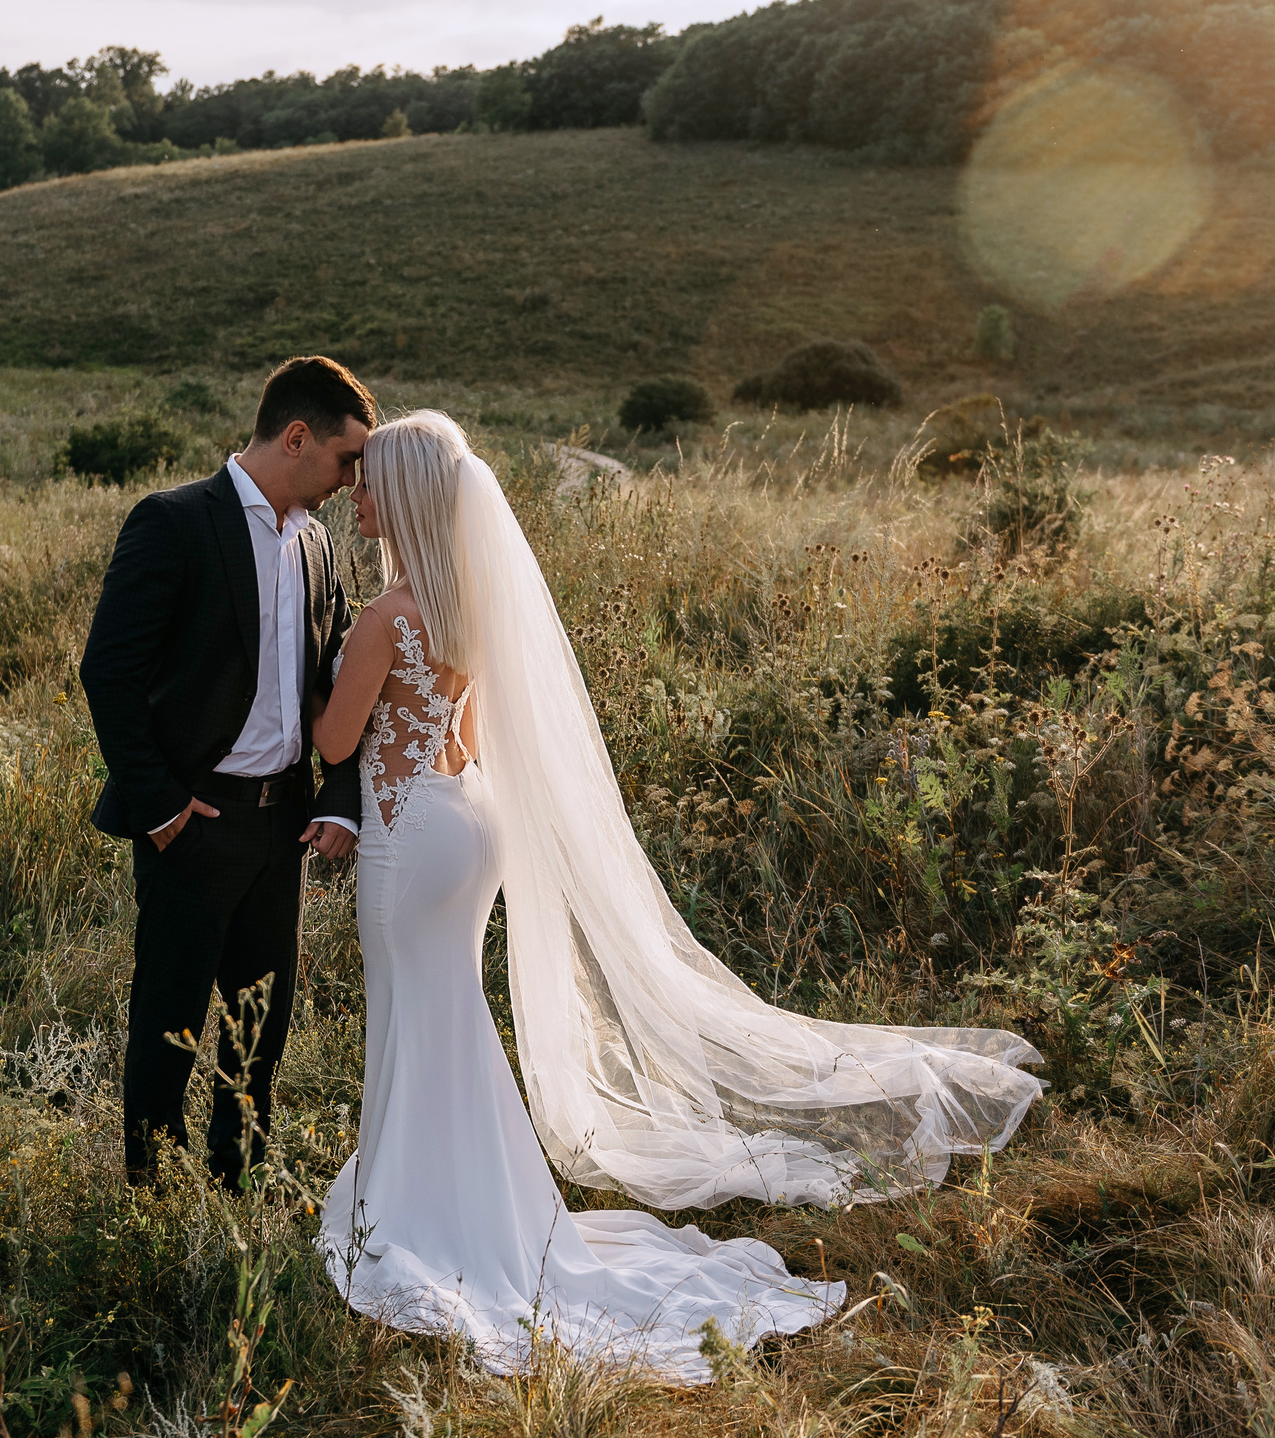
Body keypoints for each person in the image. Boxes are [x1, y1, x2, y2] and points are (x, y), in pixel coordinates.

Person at [310, 413, 1045, 1382]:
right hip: (467, 824)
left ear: (399, 495)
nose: (354, 495)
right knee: (449, 1016)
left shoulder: (383, 620)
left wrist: (322, 678)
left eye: (367, 482)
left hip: (408, 836)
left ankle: (418, 1208)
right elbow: (475, 729)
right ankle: (454, 1197)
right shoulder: (467, 608)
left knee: (418, 1014)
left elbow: (330, 742)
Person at [79, 355, 374, 1189]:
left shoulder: (317, 546)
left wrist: (340, 800)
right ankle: (151, 1199)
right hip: (192, 824)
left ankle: (233, 1187)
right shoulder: (173, 522)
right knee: (167, 1020)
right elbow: (109, 671)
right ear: (295, 435)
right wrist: (162, 805)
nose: (351, 482)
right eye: (346, 458)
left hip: (283, 828)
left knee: (261, 1026)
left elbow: (340, 686)